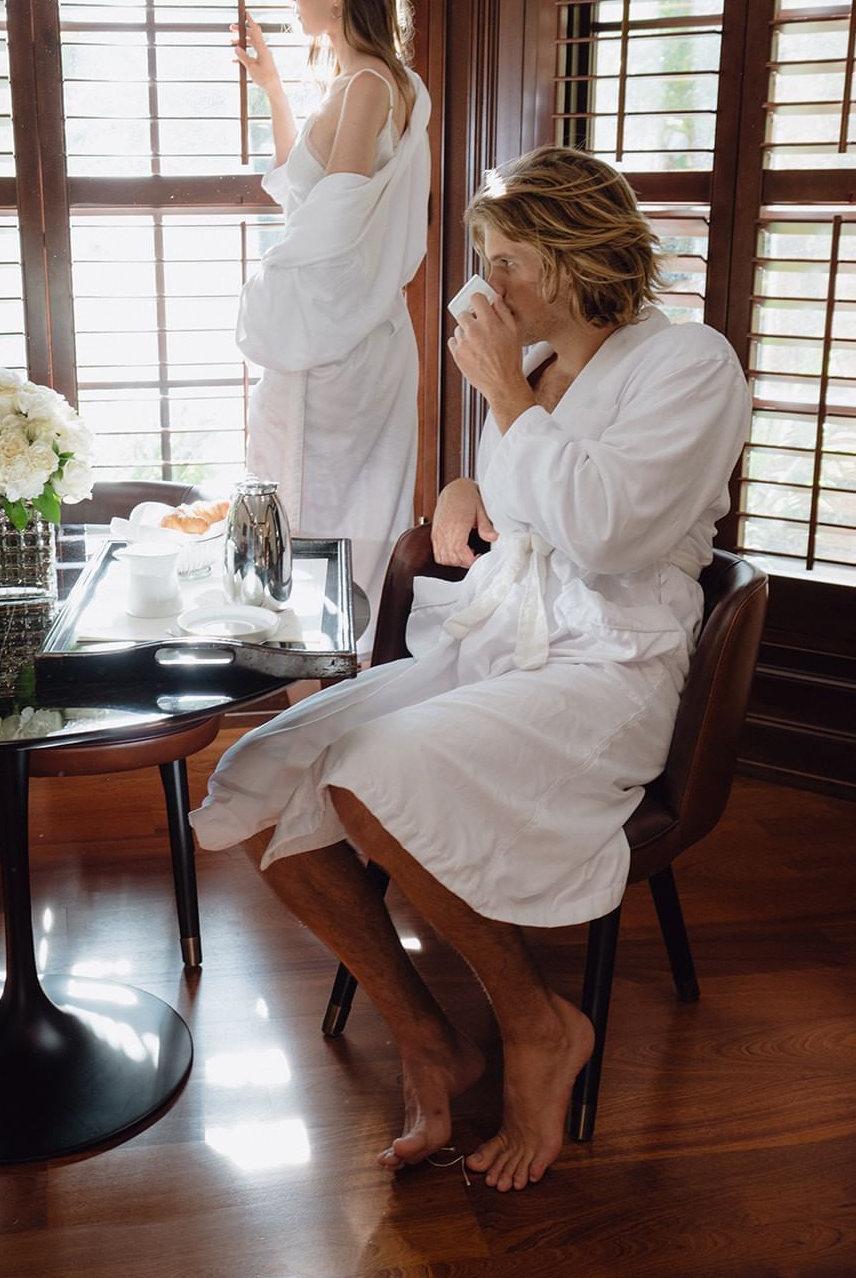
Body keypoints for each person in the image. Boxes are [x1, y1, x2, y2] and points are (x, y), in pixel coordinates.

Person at [191, 147, 752, 1192]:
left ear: (578, 255)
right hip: (499, 644)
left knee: (366, 771)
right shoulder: (540, 366)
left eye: (505, 263)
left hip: (606, 670)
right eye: (483, 262)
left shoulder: (689, 364)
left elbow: (604, 533)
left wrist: (499, 395)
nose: (483, 289)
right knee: (258, 777)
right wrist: (459, 482)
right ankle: (426, 1033)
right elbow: (526, 486)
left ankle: (537, 1023)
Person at [231, 0, 430, 644]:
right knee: (317, 522)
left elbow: (333, 225)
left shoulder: (369, 85)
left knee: (311, 526)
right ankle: (319, 709)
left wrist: (264, 282)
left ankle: (317, 709)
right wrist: (276, 91)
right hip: (355, 337)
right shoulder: (369, 81)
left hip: (335, 349)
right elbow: (301, 188)